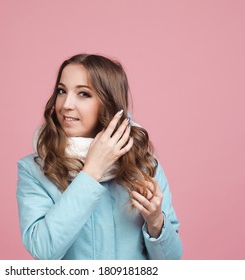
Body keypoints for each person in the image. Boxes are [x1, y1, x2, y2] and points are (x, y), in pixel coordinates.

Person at [16, 53, 183, 260]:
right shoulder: (34, 169)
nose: (66, 104)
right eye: (61, 91)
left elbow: (172, 262)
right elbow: (43, 250)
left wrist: (156, 222)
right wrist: (91, 171)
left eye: (83, 94)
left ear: (108, 102)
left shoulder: (144, 164)